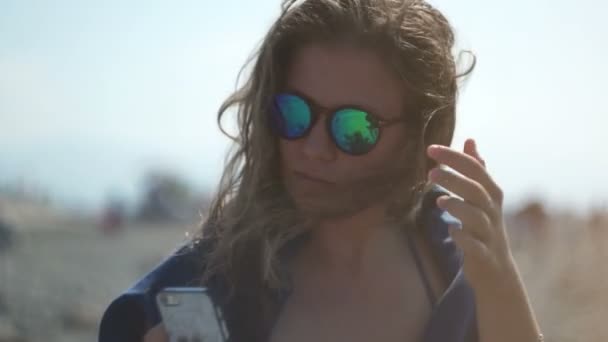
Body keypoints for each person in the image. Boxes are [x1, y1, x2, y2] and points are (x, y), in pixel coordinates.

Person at [99, 0, 544, 341]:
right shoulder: (204, 285)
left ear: (419, 136)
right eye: (294, 113)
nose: (313, 148)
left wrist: (500, 281)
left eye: (354, 128)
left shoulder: (460, 267)